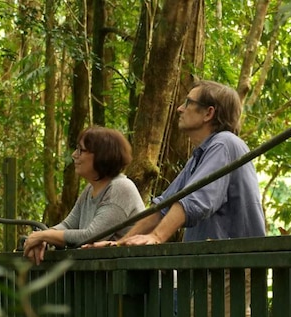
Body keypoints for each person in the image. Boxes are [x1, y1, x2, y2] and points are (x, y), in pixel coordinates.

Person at [95, 79, 265, 247]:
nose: (179, 109)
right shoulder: (199, 157)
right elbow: (163, 206)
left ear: (208, 113)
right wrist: (120, 243)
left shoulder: (224, 143)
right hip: (212, 265)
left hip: (234, 268)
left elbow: (195, 199)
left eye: (188, 102)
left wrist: (156, 236)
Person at [22, 126, 145, 265]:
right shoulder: (90, 189)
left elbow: (91, 236)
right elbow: (68, 225)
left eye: (81, 150)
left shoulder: (120, 187)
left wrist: (43, 235)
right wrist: (43, 240)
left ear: (101, 155)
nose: (74, 155)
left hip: (137, 279)